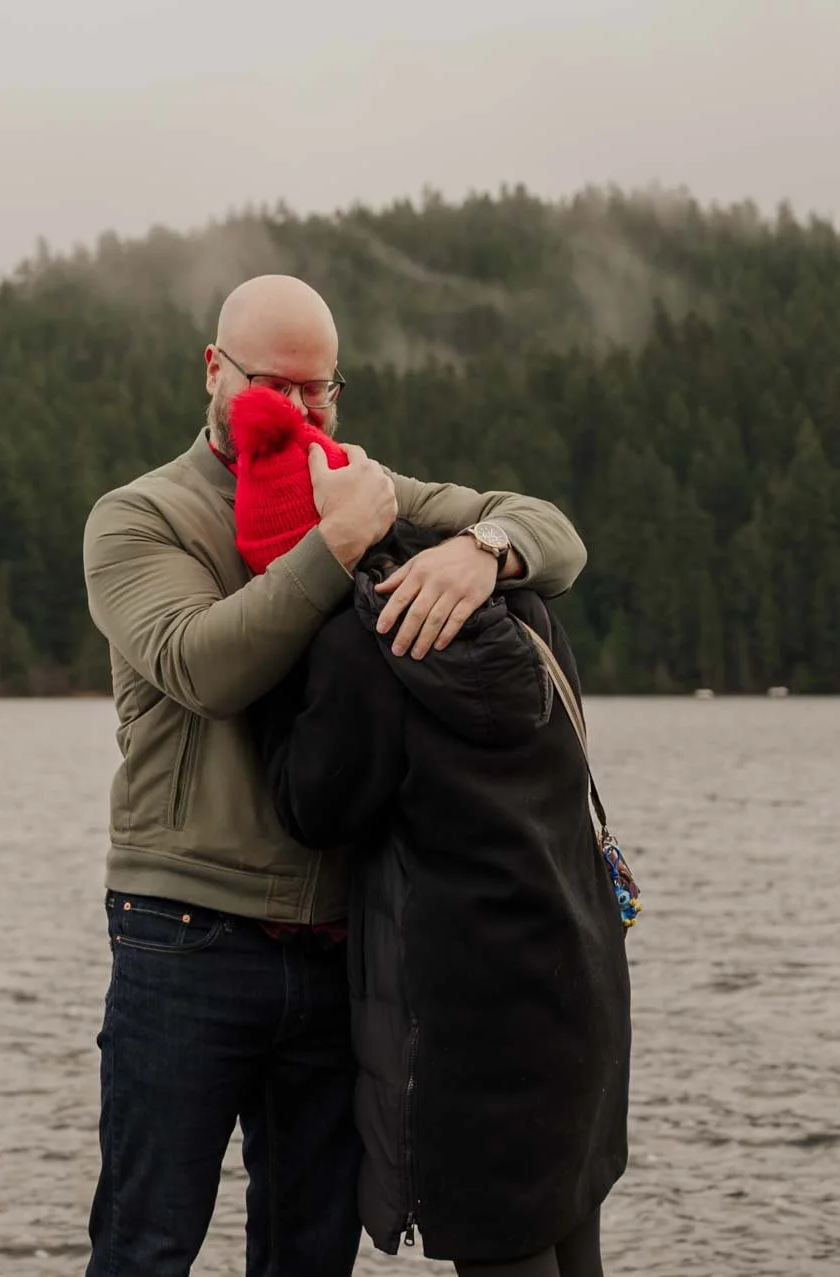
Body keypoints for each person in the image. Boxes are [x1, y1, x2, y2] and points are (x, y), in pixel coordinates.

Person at [79, 274, 587, 1275]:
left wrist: (484, 551)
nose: (308, 412)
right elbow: (205, 664)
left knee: (310, 1255)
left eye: (326, 389)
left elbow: (556, 533)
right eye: (281, 385)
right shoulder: (141, 517)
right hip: (184, 936)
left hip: (337, 950)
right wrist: (337, 540)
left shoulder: (360, 480)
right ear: (215, 371)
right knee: (145, 1245)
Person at [234, 390, 631, 1277]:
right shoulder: (519, 606)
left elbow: (314, 808)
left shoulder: (357, 647)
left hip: (468, 1028)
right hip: (578, 985)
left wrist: (276, 676)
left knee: (502, 1246)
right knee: (573, 1240)